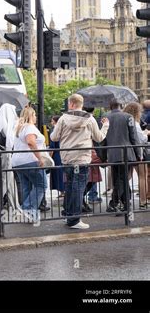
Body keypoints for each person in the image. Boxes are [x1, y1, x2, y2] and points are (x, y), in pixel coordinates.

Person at [50, 94, 109, 229]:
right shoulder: (90, 119)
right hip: (82, 158)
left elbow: (54, 137)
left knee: (70, 187)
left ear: (71, 104)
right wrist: (105, 126)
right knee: (78, 188)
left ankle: (69, 216)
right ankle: (74, 219)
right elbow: (99, 138)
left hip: (67, 158)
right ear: (81, 104)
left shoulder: (63, 119)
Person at [11, 107, 47, 225]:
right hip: (30, 160)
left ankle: (28, 213)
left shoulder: (18, 127)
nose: (36, 117)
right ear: (31, 115)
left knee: (26, 187)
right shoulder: (30, 127)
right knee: (41, 185)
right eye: (35, 115)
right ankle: (28, 209)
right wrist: (40, 158)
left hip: (17, 162)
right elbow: (31, 142)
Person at [105, 98, 141, 213]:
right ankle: (115, 202)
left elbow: (102, 139)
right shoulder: (128, 117)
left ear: (110, 106)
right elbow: (133, 137)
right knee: (122, 179)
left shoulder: (105, 117)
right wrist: (138, 153)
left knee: (119, 179)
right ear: (120, 106)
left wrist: (102, 156)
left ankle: (125, 203)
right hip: (126, 153)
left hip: (112, 153)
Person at [0, 103, 20, 212]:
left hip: (0, 154)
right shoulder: (8, 124)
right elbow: (10, 141)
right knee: (5, 181)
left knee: (10, 181)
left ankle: (15, 206)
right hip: (6, 154)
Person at [123, 102, 149, 209]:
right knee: (142, 177)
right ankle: (143, 201)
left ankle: (121, 199)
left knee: (126, 177)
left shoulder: (124, 121)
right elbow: (141, 139)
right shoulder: (135, 123)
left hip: (127, 153)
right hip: (137, 153)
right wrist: (146, 133)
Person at [49, 115, 65, 199]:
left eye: (52, 121)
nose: (51, 123)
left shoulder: (54, 131)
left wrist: (50, 157)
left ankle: (62, 191)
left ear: (55, 121)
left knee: (58, 173)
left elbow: (52, 146)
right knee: (62, 172)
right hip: (63, 153)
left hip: (57, 155)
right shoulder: (64, 129)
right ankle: (63, 190)